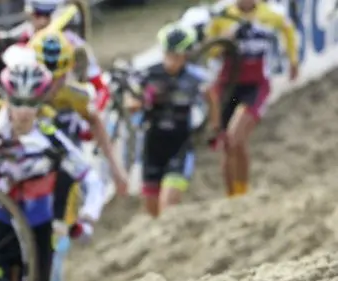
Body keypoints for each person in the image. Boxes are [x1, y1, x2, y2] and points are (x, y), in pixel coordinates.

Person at [0, 59, 104, 281]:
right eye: (17, 102)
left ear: (42, 102)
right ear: (5, 99)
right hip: (0, 229)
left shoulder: (51, 138)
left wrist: (87, 216)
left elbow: (91, 178)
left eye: (31, 103)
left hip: (40, 231)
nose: (23, 111)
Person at [205, 0, 298, 197]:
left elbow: (288, 30)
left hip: (255, 85)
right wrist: (224, 40)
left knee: (235, 135)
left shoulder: (270, 15)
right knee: (229, 144)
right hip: (228, 86)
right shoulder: (223, 16)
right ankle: (232, 195)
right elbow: (210, 50)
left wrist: (293, 61)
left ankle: (243, 190)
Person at [124, 24, 212, 217]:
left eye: (177, 56)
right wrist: (143, 101)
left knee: (168, 206)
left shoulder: (195, 78)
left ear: (186, 55)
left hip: (179, 146)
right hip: (152, 146)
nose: (172, 61)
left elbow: (213, 95)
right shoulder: (148, 74)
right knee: (152, 213)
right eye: (169, 54)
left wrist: (215, 126)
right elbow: (130, 102)